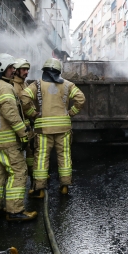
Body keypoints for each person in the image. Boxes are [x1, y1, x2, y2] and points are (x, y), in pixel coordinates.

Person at [0, 53, 37, 222]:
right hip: (6, 140)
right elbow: (11, 114)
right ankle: (14, 211)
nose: (13, 71)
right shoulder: (5, 87)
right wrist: (24, 134)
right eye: (11, 68)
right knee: (18, 171)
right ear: (2, 68)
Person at [21, 58, 85, 196]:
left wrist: (32, 113)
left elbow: (24, 97)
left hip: (43, 129)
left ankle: (39, 189)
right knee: (64, 156)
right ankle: (64, 186)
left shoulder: (37, 85)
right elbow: (81, 98)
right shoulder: (68, 84)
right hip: (64, 128)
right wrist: (71, 112)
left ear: (44, 70)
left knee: (42, 157)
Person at [12, 58, 35, 179]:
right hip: (19, 128)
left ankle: (32, 175)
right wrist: (34, 114)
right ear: (16, 70)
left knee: (31, 152)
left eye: (27, 70)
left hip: (27, 126)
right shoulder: (13, 86)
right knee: (18, 156)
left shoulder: (23, 84)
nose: (26, 72)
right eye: (24, 69)